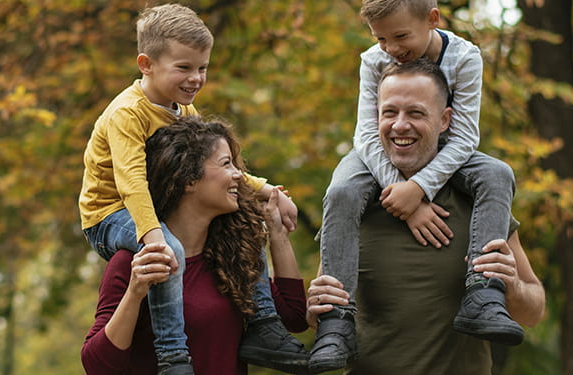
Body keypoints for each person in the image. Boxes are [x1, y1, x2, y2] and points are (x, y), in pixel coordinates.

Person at [77, 4, 306, 374]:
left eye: (202, 68)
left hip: (146, 208)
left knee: (242, 225)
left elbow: (214, 161)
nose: (196, 78)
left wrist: (265, 192)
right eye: (184, 68)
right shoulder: (127, 113)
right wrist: (154, 239)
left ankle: (264, 325)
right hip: (109, 214)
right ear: (146, 64)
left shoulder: (185, 113)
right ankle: (173, 356)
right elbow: (131, 182)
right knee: (172, 252)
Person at [313, 0, 523, 369]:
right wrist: (403, 195)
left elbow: (463, 137)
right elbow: (366, 135)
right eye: (381, 39)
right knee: (342, 190)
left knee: (497, 174)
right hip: (379, 157)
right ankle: (336, 320)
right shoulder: (372, 61)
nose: (392, 49)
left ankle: (484, 290)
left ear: (433, 19)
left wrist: (420, 188)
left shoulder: (464, 57)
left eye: (400, 36)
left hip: (449, 149)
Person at [82, 117, 310, 374]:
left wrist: (278, 234)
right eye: (227, 164)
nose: (238, 174)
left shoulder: (229, 255)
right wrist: (135, 293)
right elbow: (97, 365)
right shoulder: (135, 262)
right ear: (188, 180)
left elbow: (294, 317)